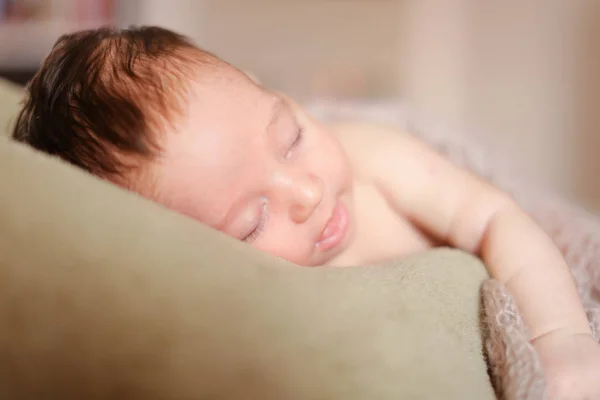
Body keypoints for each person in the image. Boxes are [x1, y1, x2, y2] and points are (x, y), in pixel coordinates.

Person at [11, 26, 600, 398]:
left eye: (290, 136)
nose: (306, 192)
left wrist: (560, 337)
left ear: (272, 92)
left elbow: (499, 216)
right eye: (253, 220)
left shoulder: (373, 157)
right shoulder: (254, 309)